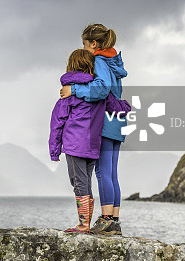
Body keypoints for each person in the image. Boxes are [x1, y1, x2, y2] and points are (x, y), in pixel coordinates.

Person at [49, 49, 130, 233]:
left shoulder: (68, 93)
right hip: (93, 146)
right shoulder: (98, 93)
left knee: (79, 183)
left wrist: (54, 151)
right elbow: (117, 105)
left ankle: (83, 224)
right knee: (86, 182)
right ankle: (87, 222)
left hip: (74, 146)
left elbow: (57, 124)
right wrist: (126, 106)